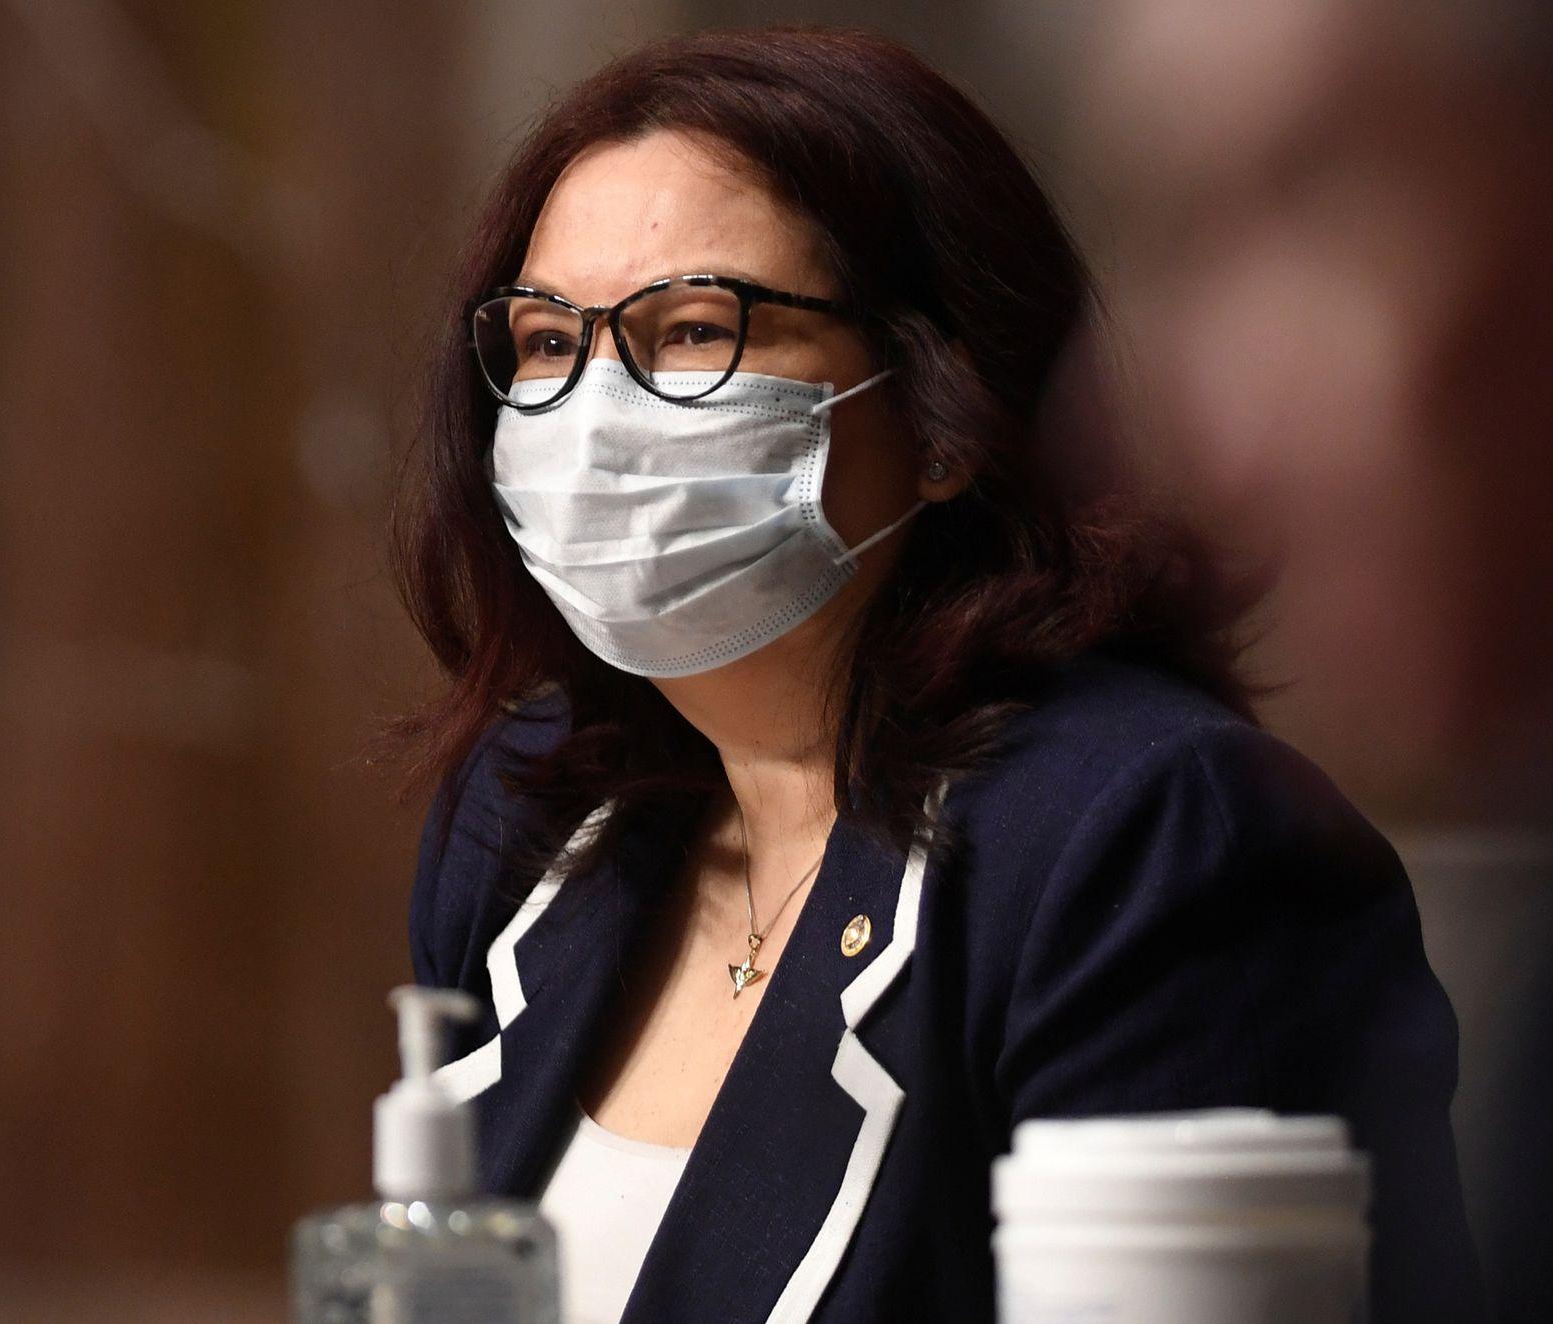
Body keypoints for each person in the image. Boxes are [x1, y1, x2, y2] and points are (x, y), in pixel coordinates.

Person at [389, 26, 1479, 1324]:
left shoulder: (1151, 841)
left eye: (692, 331)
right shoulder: (527, 823)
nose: (594, 416)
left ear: (942, 416)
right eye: (549, 343)